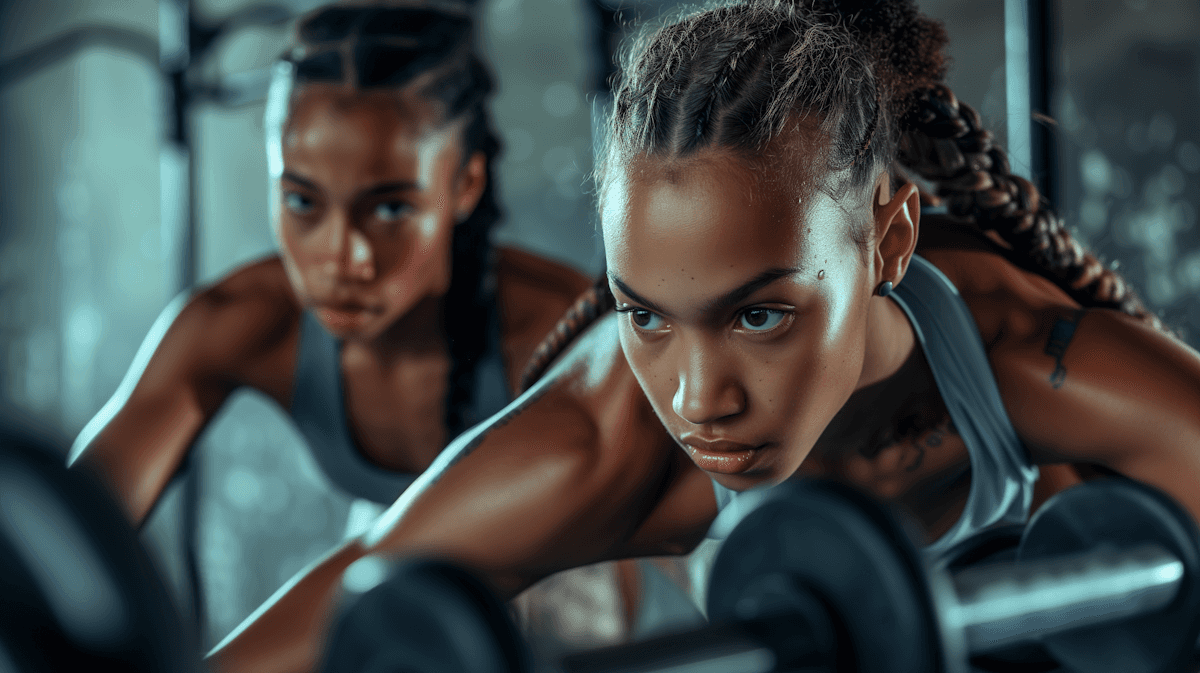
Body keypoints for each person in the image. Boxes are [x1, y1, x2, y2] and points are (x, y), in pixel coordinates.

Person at [206, 0, 1200, 671]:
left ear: (889, 237)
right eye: (645, 314)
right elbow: (332, 611)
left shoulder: (1024, 355)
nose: (695, 400)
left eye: (759, 313)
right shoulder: (604, 443)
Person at [66, 0, 671, 652]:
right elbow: (64, 529)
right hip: (391, 558)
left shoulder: (567, 330)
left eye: (387, 208)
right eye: (302, 200)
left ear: (464, 185)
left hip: (561, 579)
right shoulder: (238, 323)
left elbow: (702, 509)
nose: (341, 257)